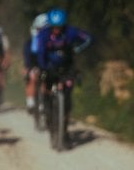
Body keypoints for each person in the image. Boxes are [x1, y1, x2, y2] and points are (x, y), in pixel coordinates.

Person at [35, 8, 93, 141]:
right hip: (49, 68)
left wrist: (78, 48)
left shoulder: (70, 32)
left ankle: (64, 129)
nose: (57, 30)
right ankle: (48, 114)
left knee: (67, 99)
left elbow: (88, 38)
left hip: (67, 68)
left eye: (59, 27)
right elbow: (40, 54)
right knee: (46, 91)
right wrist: (42, 68)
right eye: (54, 27)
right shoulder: (43, 35)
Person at [23, 12, 48, 114]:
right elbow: (27, 58)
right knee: (31, 78)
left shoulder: (51, 41)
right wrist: (28, 68)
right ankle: (30, 102)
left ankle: (47, 101)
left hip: (47, 66)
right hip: (33, 65)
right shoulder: (30, 42)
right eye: (40, 29)